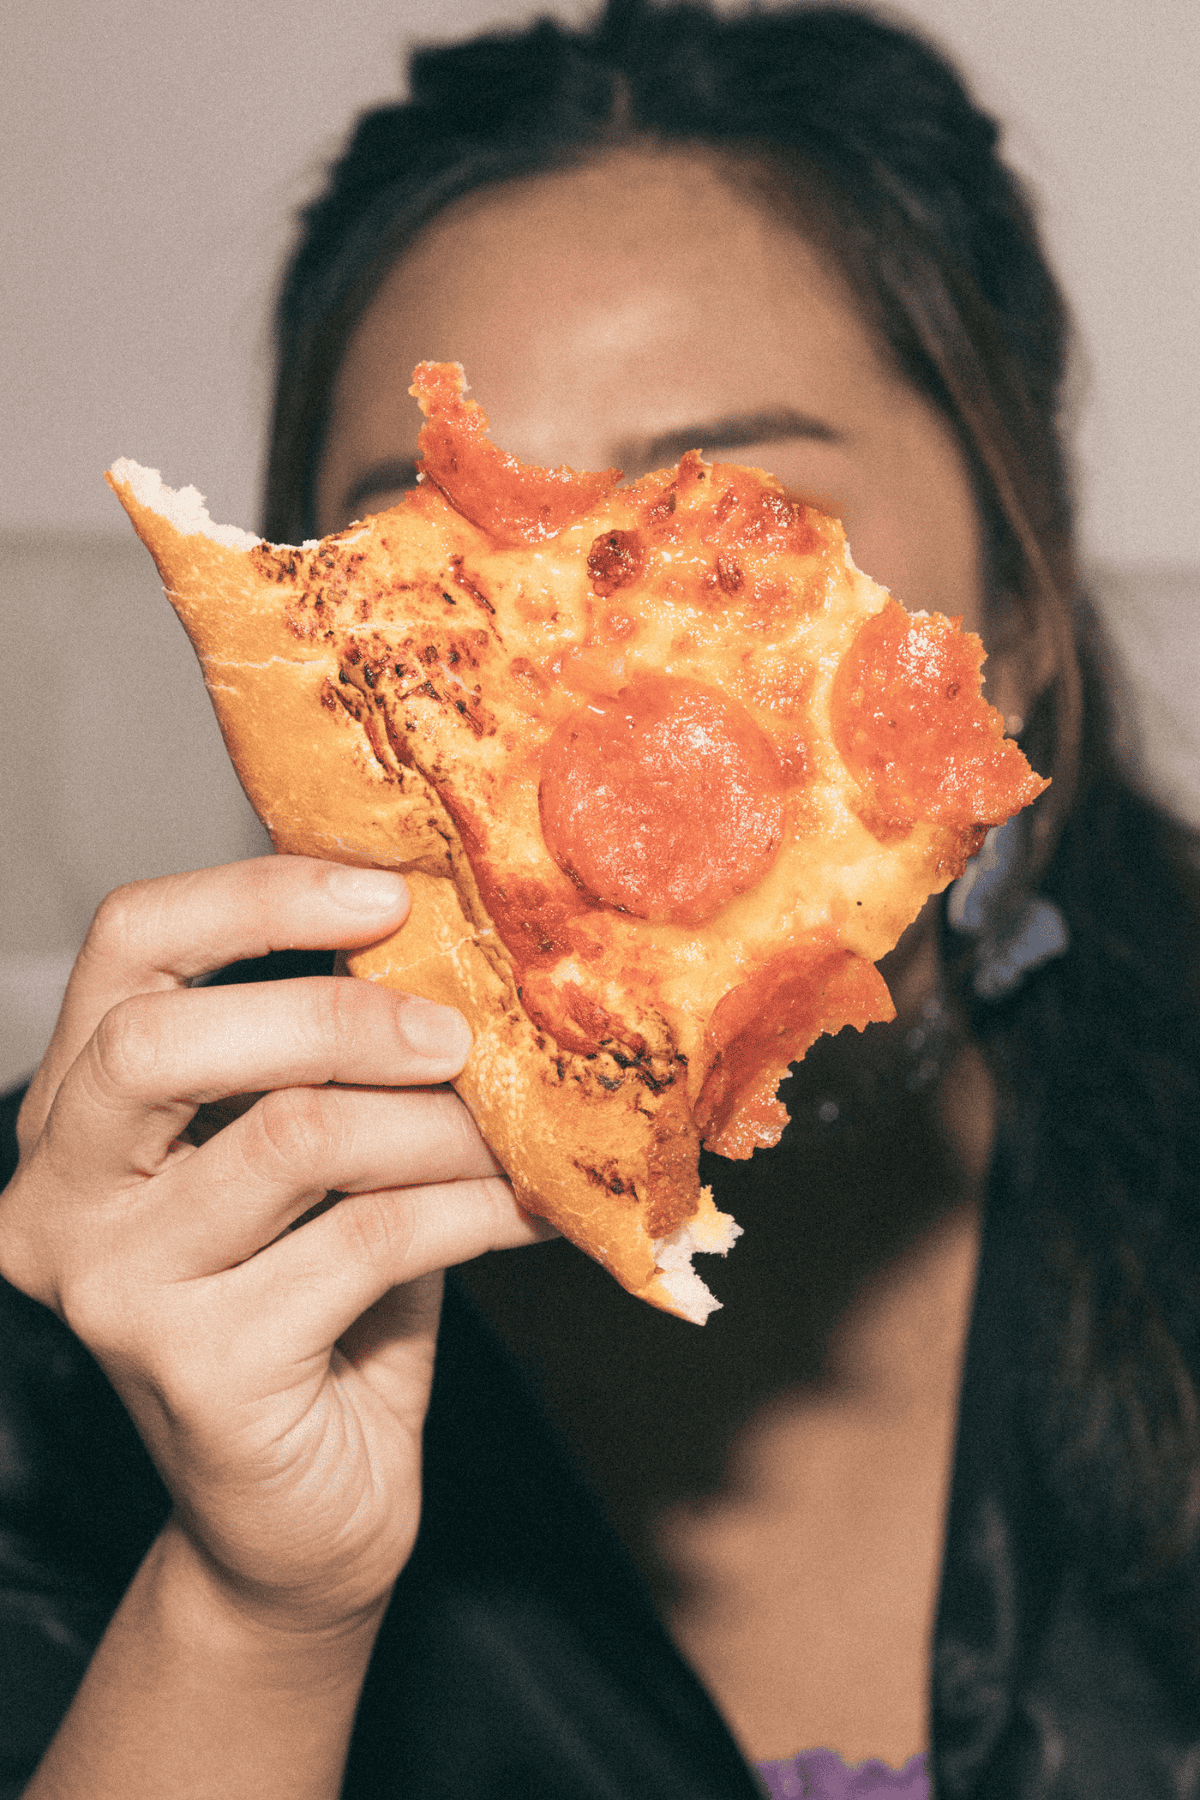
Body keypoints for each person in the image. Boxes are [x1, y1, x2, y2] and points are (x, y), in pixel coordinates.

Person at [2, 1, 1199, 1794]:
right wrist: (251, 1617)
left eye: (736, 531)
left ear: (1013, 616)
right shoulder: (75, 1328)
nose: (593, 728)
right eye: (436, 572)